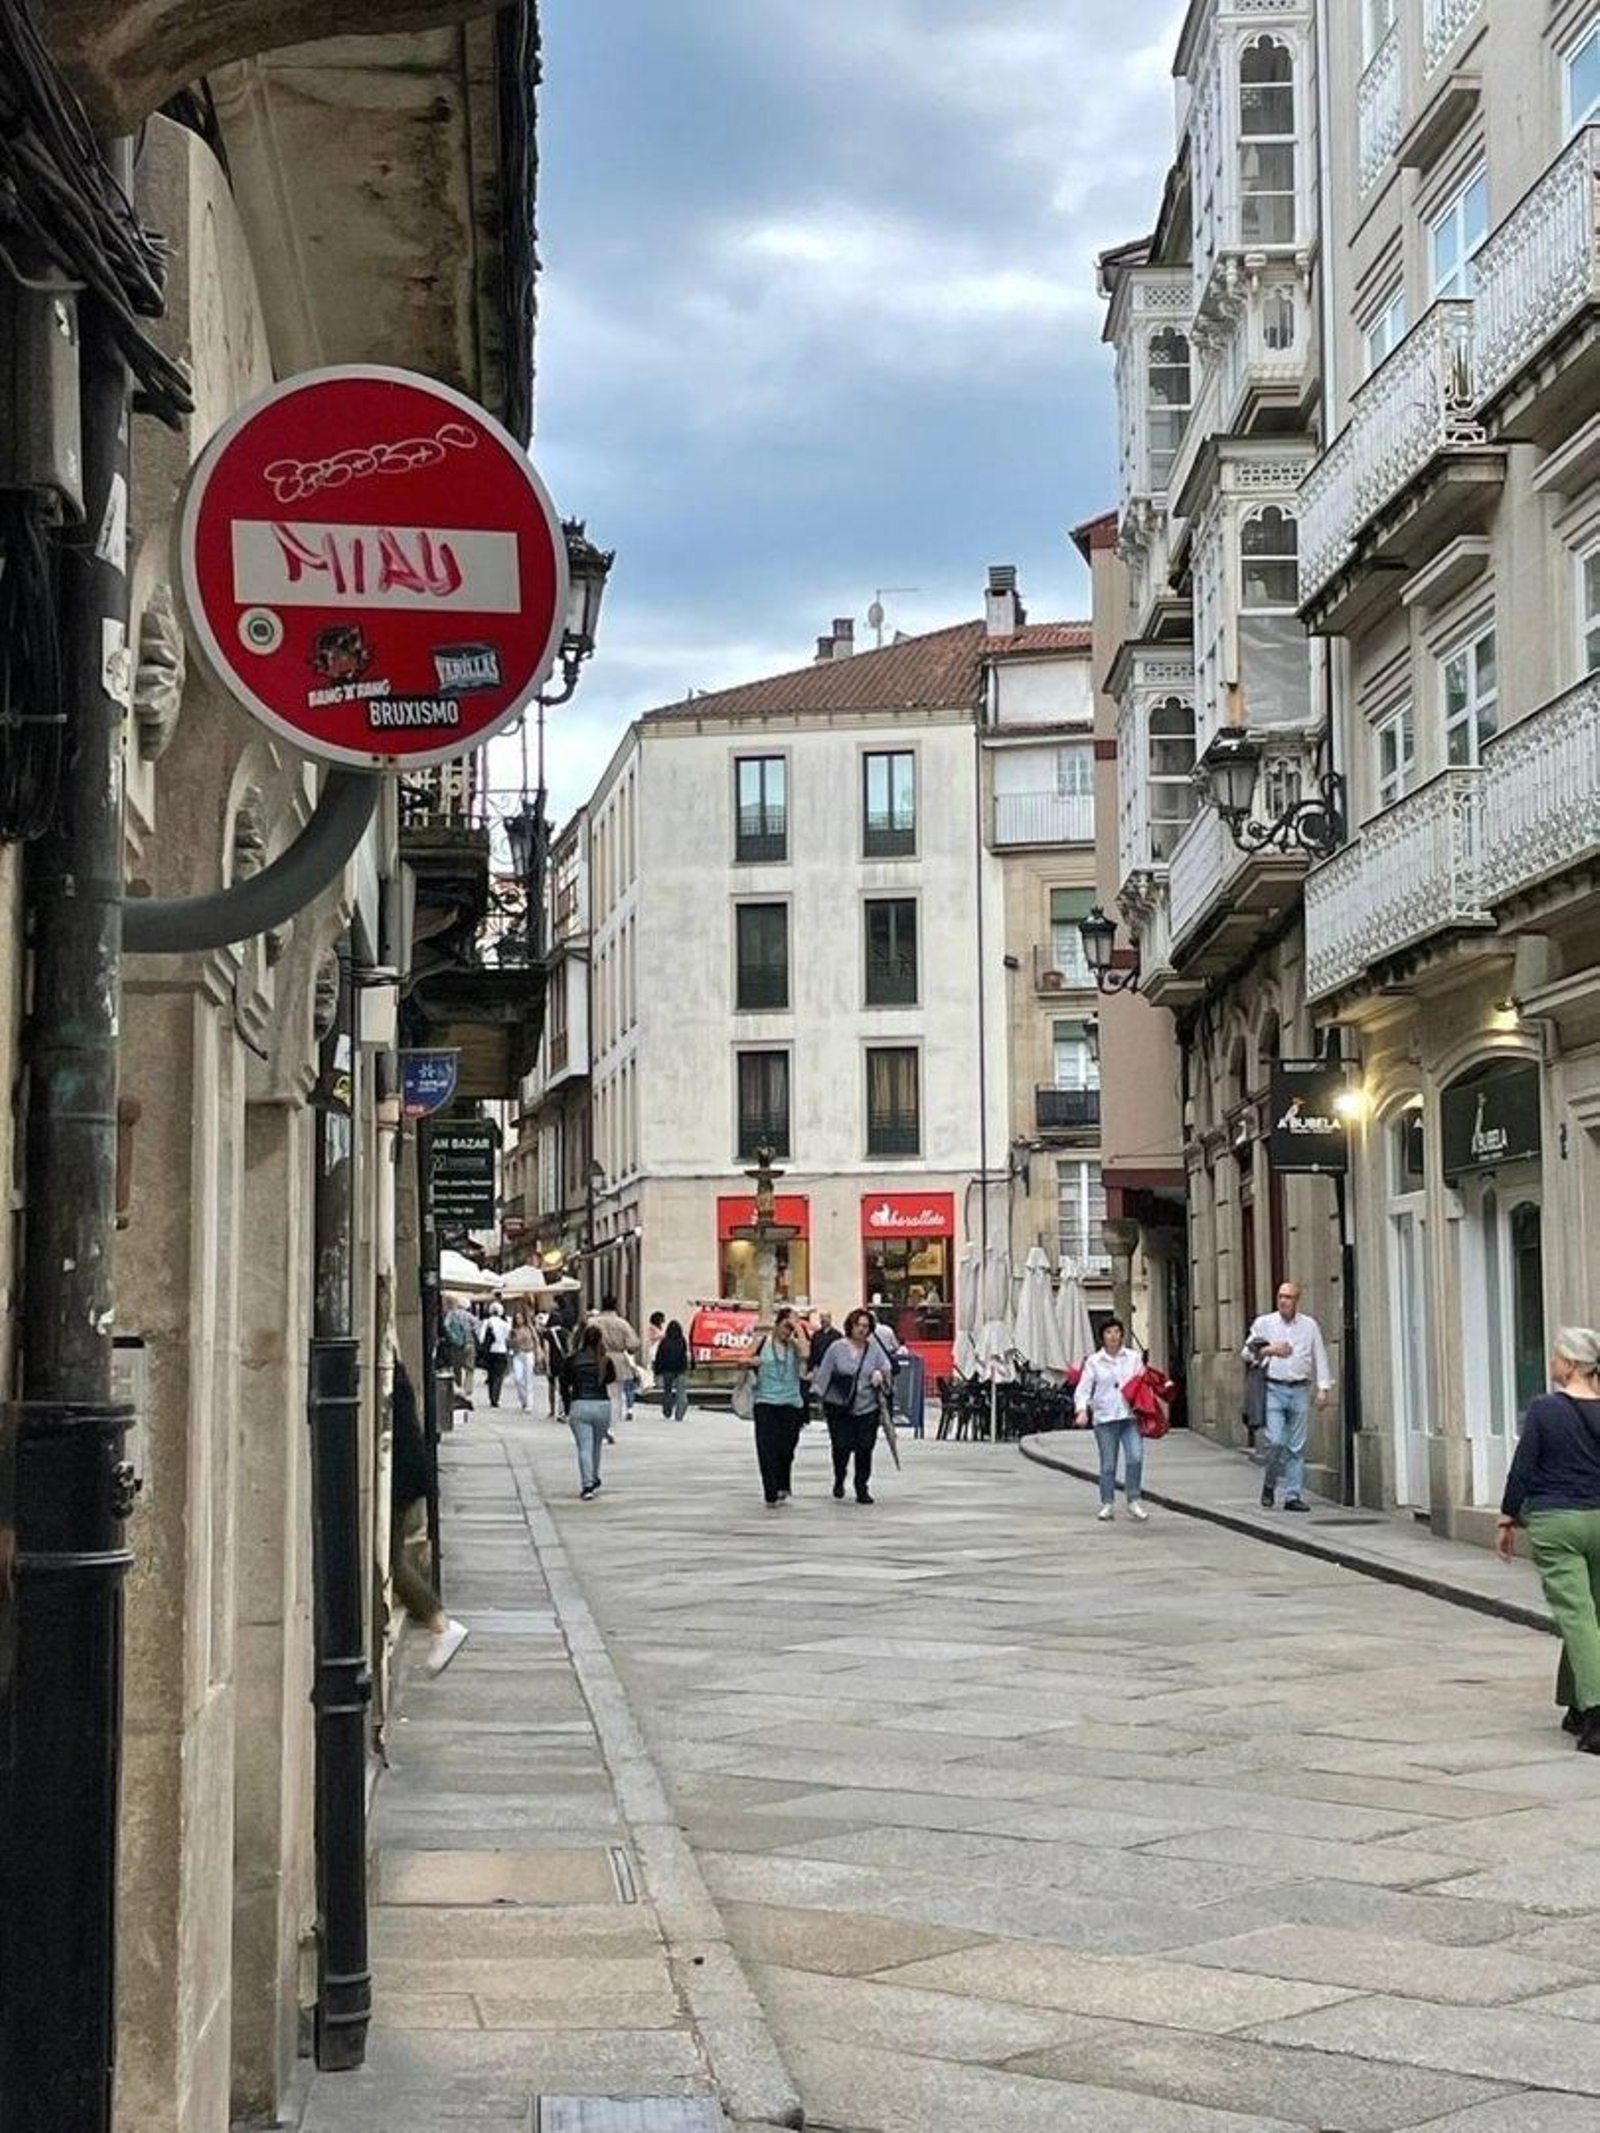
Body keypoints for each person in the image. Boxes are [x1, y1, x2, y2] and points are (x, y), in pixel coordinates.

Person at [1498, 1327, 1600, 1754]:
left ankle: (1595, 1714)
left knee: (1576, 1616)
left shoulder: (1543, 1409)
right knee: (1588, 1614)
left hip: (1556, 1522)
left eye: (1557, 1357)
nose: (1551, 1363)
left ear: (1572, 1364)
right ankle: (1575, 1706)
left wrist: (1507, 1516)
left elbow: (1524, 1466)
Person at [389, 1361, 468, 1674]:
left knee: (392, 1562)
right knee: (390, 1559)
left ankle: (440, 1624)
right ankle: (439, 1625)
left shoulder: (388, 1377)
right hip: (407, 1476)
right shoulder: (395, 1375)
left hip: (402, 1479)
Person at [1243, 1281, 1334, 1513]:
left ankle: (1293, 1495)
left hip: (1300, 1389)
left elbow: (1319, 1356)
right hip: (1274, 1388)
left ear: (1297, 1301)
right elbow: (1246, 1353)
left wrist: (1324, 1388)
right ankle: (1269, 1484)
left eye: (1289, 1297)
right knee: (1275, 1442)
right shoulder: (1265, 1323)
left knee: (1296, 1446)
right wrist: (1270, 1350)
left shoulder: (1309, 1325)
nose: (1284, 1301)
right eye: (1281, 1296)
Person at [813, 1307, 901, 1505]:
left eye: (866, 1326)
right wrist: (820, 1398)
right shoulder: (837, 1348)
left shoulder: (874, 1348)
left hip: (867, 1407)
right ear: (850, 1326)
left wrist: (880, 1374)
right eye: (858, 1325)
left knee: (865, 1447)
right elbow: (824, 1374)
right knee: (841, 1447)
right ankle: (839, 1477)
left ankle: (862, 1486)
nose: (862, 1330)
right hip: (840, 1408)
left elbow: (888, 1369)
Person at [1074, 1319, 1148, 1524]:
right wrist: (1082, 1410)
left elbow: (1143, 1383)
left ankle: (1133, 1499)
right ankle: (1107, 1502)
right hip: (1105, 1418)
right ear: (1102, 1336)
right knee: (1108, 1464)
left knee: (1135, 1457)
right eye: (1109, 1332)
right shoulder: (1094, 1362)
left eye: (1117, 1331)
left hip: (1129, 1417)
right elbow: (1083, 1389)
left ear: (1122, 1335)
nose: (1114, 1336)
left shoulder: (1134, 1358)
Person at [750, 1307, 810, 1506]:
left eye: (790, 1329)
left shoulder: (794, 1345)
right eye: (785, 1326)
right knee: (766, 1448)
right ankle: (771, 1490)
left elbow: (806, 1353)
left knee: (786, 1449)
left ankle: (783, 1483)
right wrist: (752, 1361)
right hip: (765, 1402)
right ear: (777, 1325)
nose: (788, 1332)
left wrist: (798, 1327)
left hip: (790, 1404)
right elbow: (743, 1358)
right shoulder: (762, 1342)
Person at [559, 1322, 616, 1499]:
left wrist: (568, 1407)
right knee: (596, 1446)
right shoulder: (605, 1360)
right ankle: (594, 1478)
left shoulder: (572, 1359)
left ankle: (587, 1485)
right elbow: (610, 1379)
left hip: (580, 1403)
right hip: (602, 1405)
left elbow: (564, 1384)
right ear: (600, 1340)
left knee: (584, 1447)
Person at [589, 1294, 640, 1438]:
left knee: (596, 1394)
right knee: (615, 1396)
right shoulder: (622, 1323)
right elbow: (633, 1344)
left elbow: (583, 1341)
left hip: (596, 1359)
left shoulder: (593, 1322)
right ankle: (611, 1428)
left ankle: (599, 1425)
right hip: (617, 1360)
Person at [654, 1317, 691, 1420]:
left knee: (667, 1391)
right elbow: (684, 1354)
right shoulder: (682, 1340)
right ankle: (679, 1414)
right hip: (680, 1369)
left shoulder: (664, 1341)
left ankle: (667, 1410)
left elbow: (659, 1356)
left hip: (667, 1370)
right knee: (681, 1391)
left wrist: (657, 1370)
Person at [479, 1301, 513, 1407]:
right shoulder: (505, 1324)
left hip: (490, 1352)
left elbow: (481, 1338)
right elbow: (508, 1338)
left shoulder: (486, 1322)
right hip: (501, 1351)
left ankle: (491, 1396)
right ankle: (495, 1398)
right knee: (499, 1376)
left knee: (491, 1375)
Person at [443, 1298, 477, 1402]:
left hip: (456, 1345)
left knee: (457, 1367)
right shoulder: (470, 1316)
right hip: (469, 1343)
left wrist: (452, 1336)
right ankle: (467, 1389)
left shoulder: (451, 1314)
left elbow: (445, 1325)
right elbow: (476, 1327)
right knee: (469, 1368)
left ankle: (458, 1386)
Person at [509, 1308, 542, 1411]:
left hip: (529, 1353)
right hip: (518, 1354)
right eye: (517, 1318)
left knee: (528, 1379)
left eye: (520, 1317)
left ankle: (529, 1403)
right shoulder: (513, 1330)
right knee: (518, 1379)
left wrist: (538, 1352)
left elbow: (536, 1340)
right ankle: (523, 1399)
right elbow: (509, 1344)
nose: (519, 1320)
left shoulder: (529, 1328)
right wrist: (512, 1340)